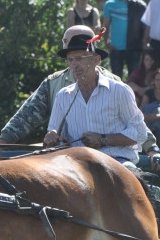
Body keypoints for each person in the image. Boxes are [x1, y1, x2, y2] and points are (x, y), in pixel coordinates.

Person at [0, 25, 157, 153]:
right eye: (65, 42)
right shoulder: (54, 85)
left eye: (80, 56)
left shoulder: (115, 85)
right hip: (73, 162)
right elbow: (25, 117)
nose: (69, 47)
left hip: (115, 159)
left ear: (96, 59)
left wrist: (151, 148)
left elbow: (137, 126)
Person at [44, 31, 147, 170]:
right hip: (77, 165)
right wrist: (51, 138)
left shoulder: (119, 90)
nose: (74, 65)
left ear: (96, 60)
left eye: (80, 58)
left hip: (117, 161)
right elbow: (56, 135)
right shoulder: (63, 96)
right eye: (70, 60)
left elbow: (140, 132)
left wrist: (103, 139)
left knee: (129, 175)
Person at [101, 0, 146, 78]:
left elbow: (144, 26)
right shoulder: (110, 4)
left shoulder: (137, 6)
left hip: (133, 47)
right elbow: (105, 25)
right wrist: (106, 42)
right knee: (116, 78)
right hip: (116, 48)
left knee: (133, 78)